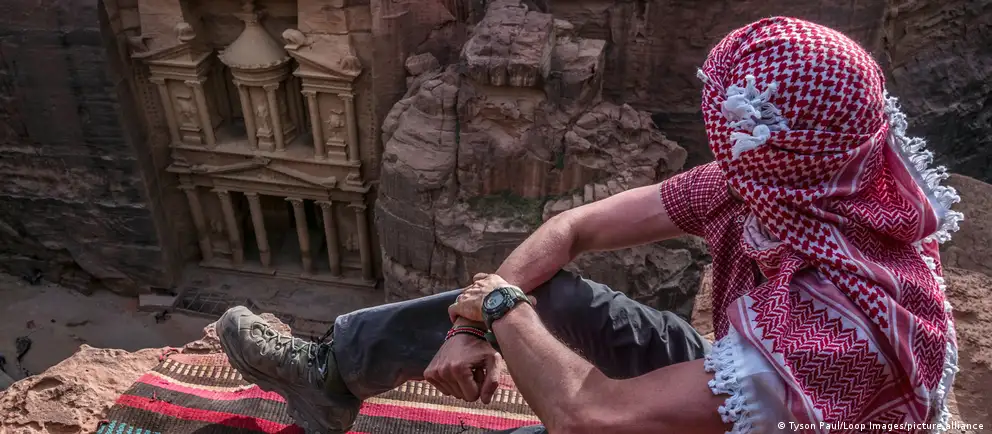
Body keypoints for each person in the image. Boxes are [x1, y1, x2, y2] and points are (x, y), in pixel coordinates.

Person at [216, 16, 964, 434]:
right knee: (559, 294)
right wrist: (474, 324)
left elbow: (587, 415)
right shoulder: (806, 185)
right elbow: (574, 228)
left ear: (779, 152)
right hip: (748, 365)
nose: (722, 147)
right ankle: (333, 373)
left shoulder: (837, 338)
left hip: (783, 403)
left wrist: (497, 306)